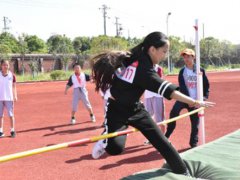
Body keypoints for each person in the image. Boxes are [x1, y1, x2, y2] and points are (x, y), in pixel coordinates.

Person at [90, 32, 214, 175]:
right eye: (164, 51)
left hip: (136, 108)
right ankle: (105, 139)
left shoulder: (141, 58)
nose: (164, 56)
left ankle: (183, 172)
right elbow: (168, 90)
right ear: (152, 49)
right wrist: (194, 101)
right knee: (115, 149)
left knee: (162, 142)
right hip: (116, 109)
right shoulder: (142, 67)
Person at [165, 48, 210, 148]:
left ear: (193, 57)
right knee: (173, 113)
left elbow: (206, 86)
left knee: (195, 124)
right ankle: (167, 136)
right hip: (184, 99)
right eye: (184, 57)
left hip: (197, 101)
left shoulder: (200, 70)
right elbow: (182, 87)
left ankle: (193, 143)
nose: (186, 59)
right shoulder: (182, 72)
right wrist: (189, 100)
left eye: (188, 56)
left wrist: (203, 98)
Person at [143, 64, 165, 144]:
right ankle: (151, 139)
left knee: (160, 119)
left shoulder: (158, 68)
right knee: (148, 118)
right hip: (147, 96)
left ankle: (163, 138)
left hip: (157, 95)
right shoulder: (143, 67)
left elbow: (159, 81)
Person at [0, 60, 18, 138]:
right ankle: (0, 130)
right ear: (1, 65)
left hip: (9, 98)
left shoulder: (12, 75)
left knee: (11, 115)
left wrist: (15, 95)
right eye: (4, 65)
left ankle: (12, 130)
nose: (5, 66)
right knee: (0, 115)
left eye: (7, 65)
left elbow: (14, 86)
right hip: (0, 98)